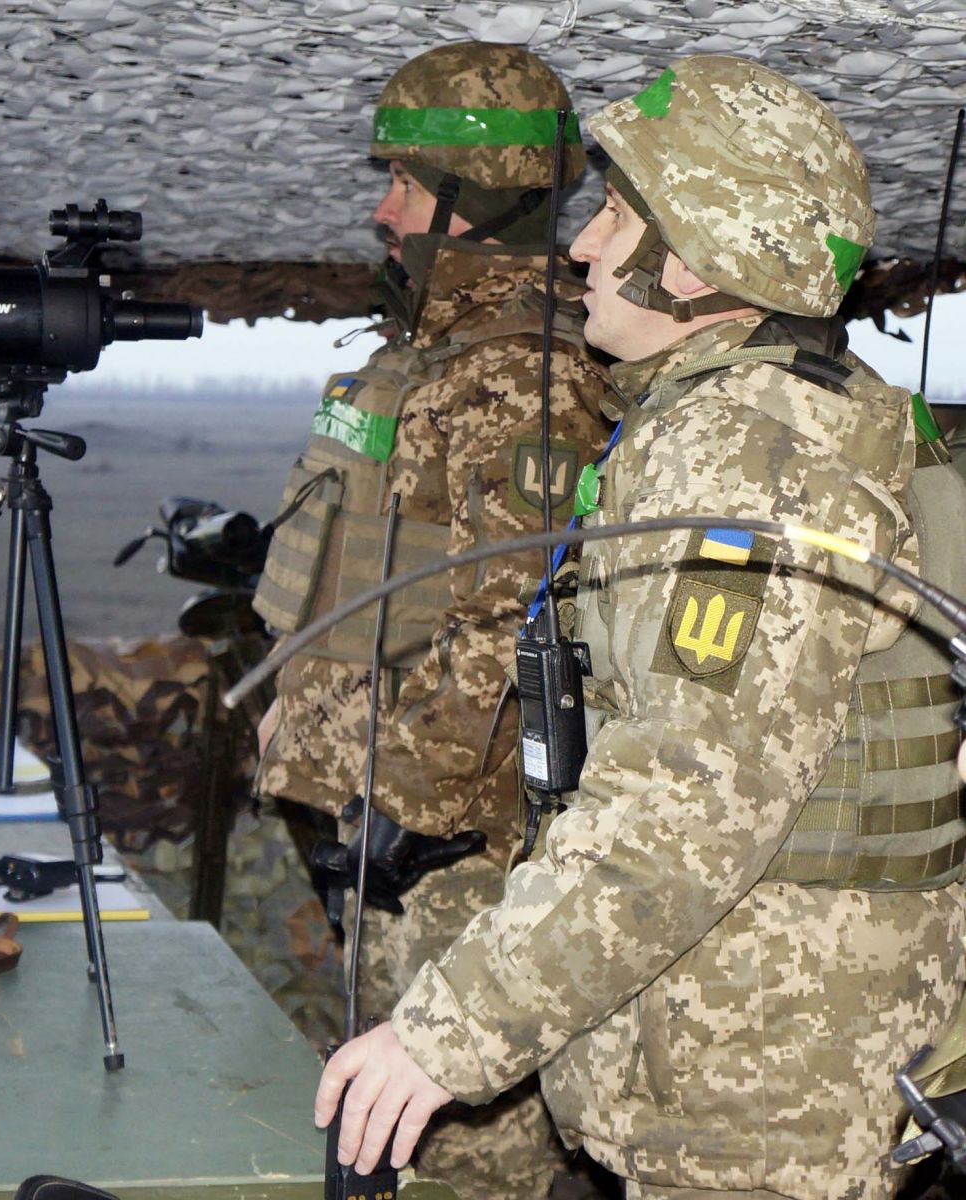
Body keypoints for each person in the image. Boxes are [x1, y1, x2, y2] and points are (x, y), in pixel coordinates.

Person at [314, 54, 966, 1200]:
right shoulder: (738, 424)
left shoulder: (752, 463)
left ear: (707, 256)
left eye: (618, 214)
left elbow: (687, 799)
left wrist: (446, 1034)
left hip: (763, 1086)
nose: (581, 245)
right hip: (741, 1056)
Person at [251, 41, 612, 1200]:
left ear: (475, 197)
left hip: (447, 861)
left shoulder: (532, 372)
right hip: (378, 832)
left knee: (461, 1167)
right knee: (385, 1145)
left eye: (403, 183)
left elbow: (506, 623)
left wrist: (410, 814)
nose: (380, 207)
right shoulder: (426, 361)